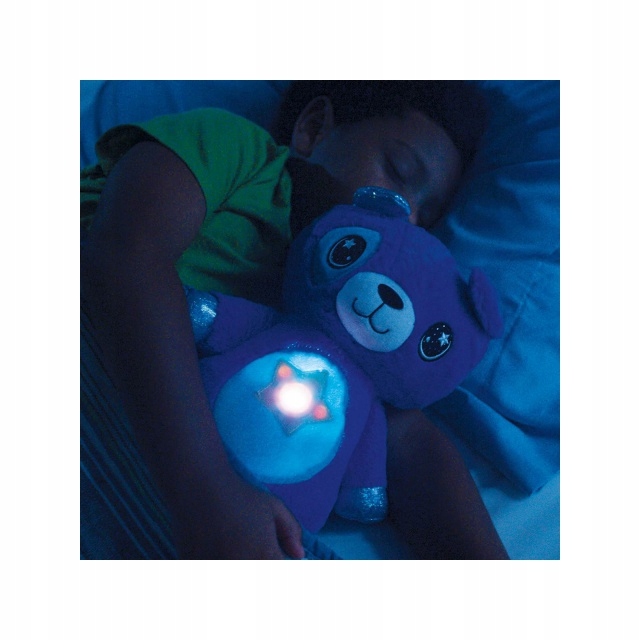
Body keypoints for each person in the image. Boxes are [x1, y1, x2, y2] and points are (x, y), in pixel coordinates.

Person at [81, 80, 509, 559]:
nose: (405, 218)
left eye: (426, 217)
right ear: (313, 129)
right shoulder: (238, 150)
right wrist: (208, 492)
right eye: (398, 171)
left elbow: (408, 440)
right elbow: (125, 259)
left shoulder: (354, 309)